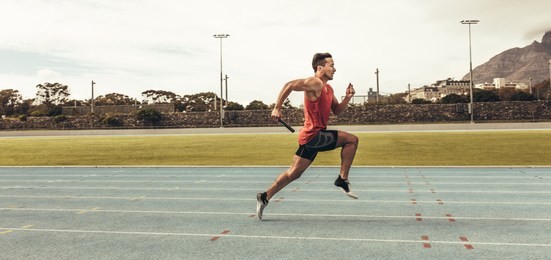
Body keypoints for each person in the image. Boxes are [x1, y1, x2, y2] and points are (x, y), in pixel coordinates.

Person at [256, 52, 359, 220]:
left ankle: (264, 196)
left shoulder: (327, 88)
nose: (334, 69)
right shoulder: (315, 83)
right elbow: (289, 85)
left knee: (293, 173)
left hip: (311, 137)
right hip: (314, 135)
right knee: (352, 140)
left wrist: (348, 97)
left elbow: (337, 110)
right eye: (331, 65)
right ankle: (342, 179)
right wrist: (277, 107)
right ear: (320, 67)